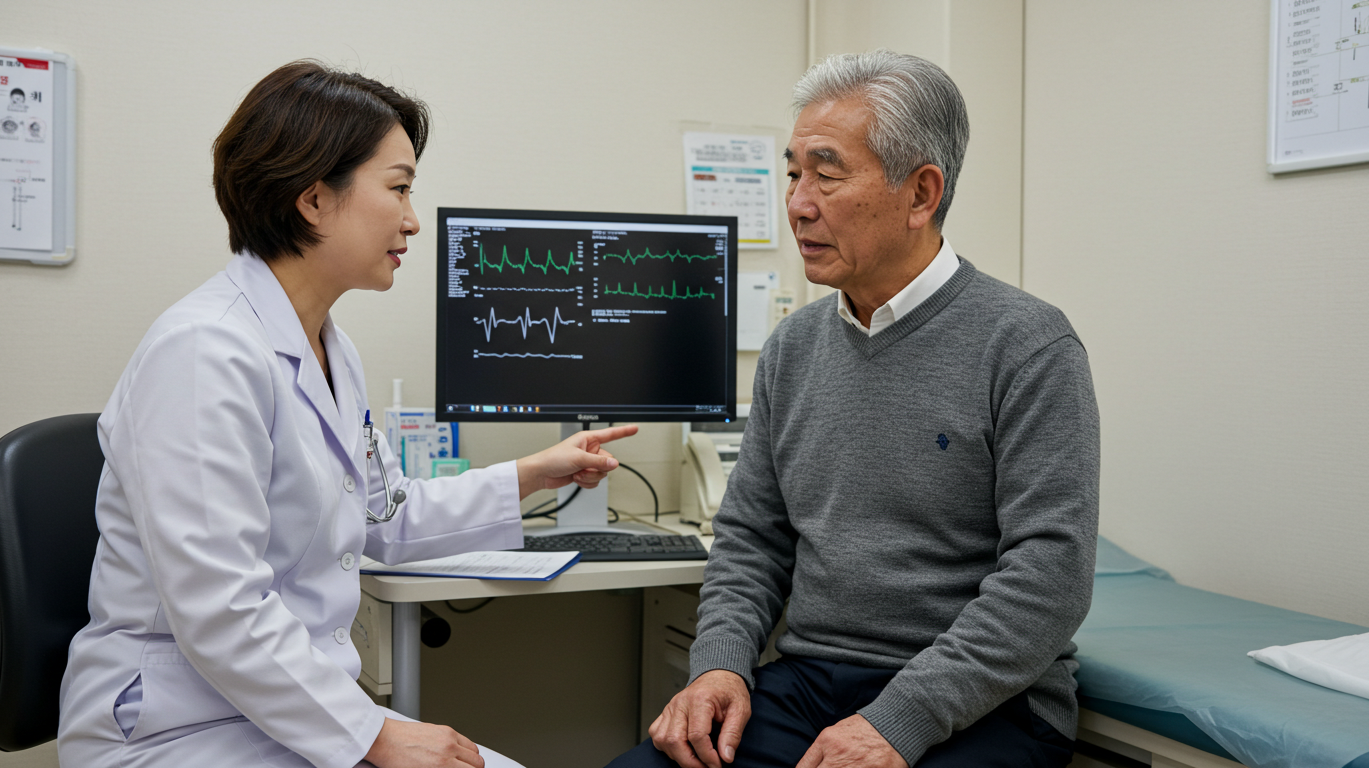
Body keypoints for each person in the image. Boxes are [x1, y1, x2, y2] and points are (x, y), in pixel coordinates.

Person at [57, 60, 636, 768]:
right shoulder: (204, 352)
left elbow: (381, 518)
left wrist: (531, 474)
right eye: (398, 188)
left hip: (286, 708)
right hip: (181, 726)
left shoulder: (330, 347)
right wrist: (375, 735)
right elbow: (219, 608)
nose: (413, 220)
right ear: (313, 199)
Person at [609, 50, 1099, 768]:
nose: (798, 203)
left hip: (985, 704)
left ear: (921, 193)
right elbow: (751, 539)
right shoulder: (794, 347)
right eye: (793, 174)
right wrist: (719, 665)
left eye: (827, 175)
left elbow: (1049, 577)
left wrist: (898, 722)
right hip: (810, 685)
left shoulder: (1028, 345)